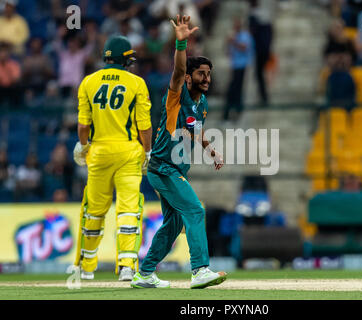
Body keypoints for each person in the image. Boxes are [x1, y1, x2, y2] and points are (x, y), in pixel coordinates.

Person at [131, 15, 227, 289]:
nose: (206, 78)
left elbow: (195, 129)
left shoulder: (202, 102)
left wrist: (211, 151)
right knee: (196, 210)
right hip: (163, 167)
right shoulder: (177, 95)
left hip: (175, 169)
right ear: (188, 78)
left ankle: (144, 274)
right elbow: (177, 70)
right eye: (201, 74)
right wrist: (181, 44)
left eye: (208, 74)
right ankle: (200, 270)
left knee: (173, 225)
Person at [72, 35, 152, 282]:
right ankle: (127, 266)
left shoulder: (88, 82)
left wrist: (83, 146)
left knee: (94, 210)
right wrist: (147, 151)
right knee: (128, 210)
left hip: (99, 153)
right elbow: (144, 126)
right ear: (125, 60)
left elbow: (84, 124)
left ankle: (86, 267)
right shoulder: (136, 82)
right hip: (128, 152)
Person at [223, 17, 254, 122]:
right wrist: (228, 43)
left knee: (236, 90)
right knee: (233, 90)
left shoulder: (245, 36)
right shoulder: (234, 36)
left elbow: (244, 47)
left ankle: (235, 112)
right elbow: (228, 52)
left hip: (242, 66)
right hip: (235, 66)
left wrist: (233, 41)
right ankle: (231, 112)